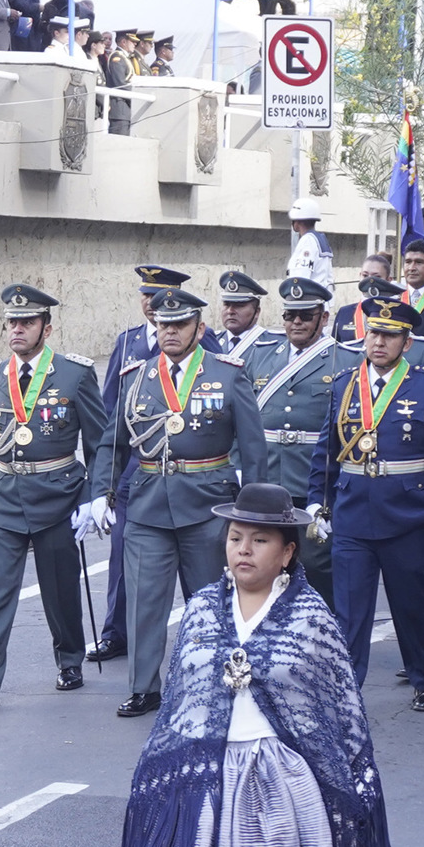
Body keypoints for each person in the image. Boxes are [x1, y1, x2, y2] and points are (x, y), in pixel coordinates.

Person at [88, 483, 405, 847]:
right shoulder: (205, 607)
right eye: (236, 538)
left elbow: (338, 709)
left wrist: (349, 782)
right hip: (204, 770)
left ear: (287, 552)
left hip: (284, 775)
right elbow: (183, 695)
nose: (243, 550)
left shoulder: (312, 619)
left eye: (260, 540)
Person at [89, 286, 265, 717]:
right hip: (149, 503)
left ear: (198, 328)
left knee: (209, 602)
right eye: (162, 324)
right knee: (144, 600)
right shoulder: (136, 377)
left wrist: (254, 514)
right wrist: (99, 493)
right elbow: (112, 443)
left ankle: (213, 682)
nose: (169, 331)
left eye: (179, 324)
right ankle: (144, 686)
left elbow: (254, 447)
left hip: (208, 503)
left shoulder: (226, 374)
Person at [305, 297, 424, 709]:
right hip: (353, 513)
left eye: (389, 336)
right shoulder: (344, 384)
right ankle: (347, 687)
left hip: (407, 515)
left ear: (406, 343)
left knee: (411, 606)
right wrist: (315, 503)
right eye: (373, 334)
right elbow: (327, 450)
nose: (379, 343)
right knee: (350, 611)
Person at [0, 285, 105, 708]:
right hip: (4, 494)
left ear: (46, 328)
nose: (17, 329)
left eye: (27, 322)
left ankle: (70, 658)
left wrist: (96, 495)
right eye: (11, 323)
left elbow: (99, 442)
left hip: (57, 493)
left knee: (60, 588)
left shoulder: (74, 375)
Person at [89, 266, 225, 663]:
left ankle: (202, 643)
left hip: (189, 470)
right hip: (137, 467)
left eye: (160, 296)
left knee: (195, 565)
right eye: (146, 295)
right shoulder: (129, 341)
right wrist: (101, 484)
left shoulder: (204, 341)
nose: (151, 303)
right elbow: (109, 410)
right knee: (124, 555)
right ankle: (116, 631)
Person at [242, 277, 355, 607]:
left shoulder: (345, 359)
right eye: (290, 315)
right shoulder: (261, 356)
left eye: (305, 316)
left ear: (324, 318)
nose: (296, 323)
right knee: (266, 560)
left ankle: (324, 630)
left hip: (314, 476)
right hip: (267, 474)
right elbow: (241, 421)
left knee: (319, 563)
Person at [215, 270, 273, 360]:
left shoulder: (271, 344)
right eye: (226, 304)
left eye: (239, 305)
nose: (230, 311)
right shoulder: (212, 341)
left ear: (256, 312)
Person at [285, 197, 332, 289]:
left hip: (309, 300)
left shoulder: (307, 241)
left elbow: (300, 277)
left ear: (297, 221)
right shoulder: (320, 239)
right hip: (322, 298)